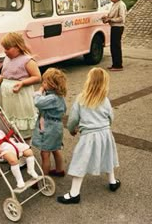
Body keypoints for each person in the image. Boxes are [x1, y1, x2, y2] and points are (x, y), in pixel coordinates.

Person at [57, 67, 121, 204]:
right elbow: (111, 117)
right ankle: (112, 181)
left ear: (88, 81)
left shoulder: (81, 99)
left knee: (80, 162)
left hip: (89, 137)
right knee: (107, 156)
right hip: (105, 134)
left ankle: (74, 193)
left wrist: (71, 129)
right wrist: (106, 127)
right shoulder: (105, 100)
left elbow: (73, 119)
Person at [0, 32, 41, 140]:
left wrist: (22, 83)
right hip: (9, 98)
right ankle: (15, 137)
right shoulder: (7, 59)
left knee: (21, 116)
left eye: (8, 48)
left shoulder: (27, 61)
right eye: (4, 48)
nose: (5, 51)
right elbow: (2, 75)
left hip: (21, 96)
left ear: (18, 47)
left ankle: (25, 141)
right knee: (11, 117)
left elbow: (37, 77)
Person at [0, 118, 39, 188]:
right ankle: (19, 180)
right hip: (4, 150)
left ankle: (31, 170)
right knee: (13, 160)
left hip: (13, 144)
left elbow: (5, 135)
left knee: (29, 152)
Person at [31, 68, 67, 177]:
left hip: (49, 128)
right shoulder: (58, 96)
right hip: (57, 127)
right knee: (55, 148)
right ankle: (59, 170)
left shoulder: (52, 98)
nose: (43, 84)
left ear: (52, 85)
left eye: (45, 82)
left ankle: (44, 178)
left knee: (45, 153)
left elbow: (37, 102)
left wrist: (39, 92)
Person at [102, 0, 126, 71]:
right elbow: (112, 15)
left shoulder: (121, 5)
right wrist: (107, 18)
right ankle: (114, 64)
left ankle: (118, 65)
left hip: (118, 27)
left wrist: (111, 20)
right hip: (114, 27)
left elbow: (122, 18)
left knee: (116, 46)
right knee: (113, 47)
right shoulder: (114, 4)